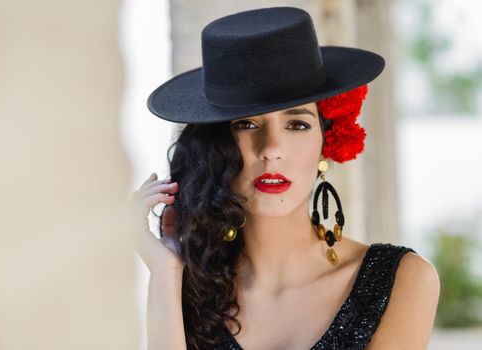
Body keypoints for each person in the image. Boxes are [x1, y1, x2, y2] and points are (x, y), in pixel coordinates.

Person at [129, 6, 440, 350]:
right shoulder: (190, 289)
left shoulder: (399, 279)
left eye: (297, 124)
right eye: (247, 125)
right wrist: (165, 274)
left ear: (325, 144)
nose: (272, 149)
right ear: (217, 148)